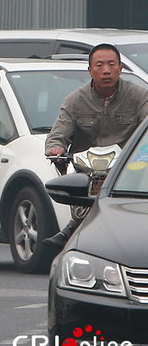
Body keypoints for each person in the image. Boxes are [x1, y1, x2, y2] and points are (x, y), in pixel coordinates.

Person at [44, 43, 148, 247]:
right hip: (89, 171)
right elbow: (57, 135)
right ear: (90, 70)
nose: (106, 70)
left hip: (130, 171)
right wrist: (56, 148)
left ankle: (70, 230)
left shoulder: (140, 96)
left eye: (111, 64)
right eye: (99, 65)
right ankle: (75, 229)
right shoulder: (75, 100)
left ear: (120, 68)